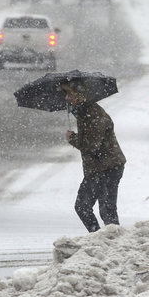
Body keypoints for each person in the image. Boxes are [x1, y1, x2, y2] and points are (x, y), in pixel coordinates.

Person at [60, 80, 126, 233]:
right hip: (102, 166)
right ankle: (106, 242)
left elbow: (91, 145)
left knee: (89, 207)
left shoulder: (93, 114)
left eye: (71, 94)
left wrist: (72, 138)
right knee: (104, 210)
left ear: (81, 94)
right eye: (66, 94)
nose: (68, 98)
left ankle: (103, 242)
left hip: (106, 167)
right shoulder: (85, 112)